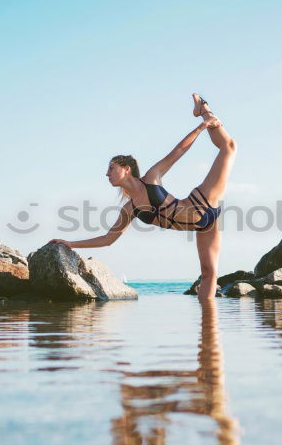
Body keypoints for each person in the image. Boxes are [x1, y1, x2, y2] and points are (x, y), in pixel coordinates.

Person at [49, 93, 237, 299]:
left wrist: (203, 126)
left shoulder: (152, 178)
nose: (107, 173)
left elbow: (178, 151)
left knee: (229, 147)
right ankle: (209, 327)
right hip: (203, 226)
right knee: (208, 274)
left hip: (202, 203)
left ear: (126, 169)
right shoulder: (130, 209)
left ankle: (204, 111)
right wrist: (70, 244)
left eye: (111, 168)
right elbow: (108, 239)